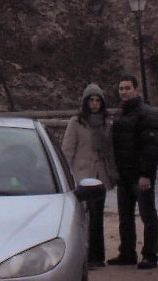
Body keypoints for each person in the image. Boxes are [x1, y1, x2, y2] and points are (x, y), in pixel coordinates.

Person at [62, 83, 117, 268]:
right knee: (83, 217)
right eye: (91, 100)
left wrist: (111, 174)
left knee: (97, 217)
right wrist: (67, 177)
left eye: (97, 100)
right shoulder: (76, 122)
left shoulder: (105, 123)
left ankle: (97, 256)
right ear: (85, 102)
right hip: (81, 176)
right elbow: (67, 151)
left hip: (99, 176)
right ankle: (82, 256)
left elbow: (109, 151)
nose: (94, 104)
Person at [108, 74, 158, 269]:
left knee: (147, 215)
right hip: (124, 174)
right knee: (125, 216)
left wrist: (146, 174)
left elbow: (151, 147)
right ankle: (127, 253)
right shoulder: (119, 114)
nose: (124, 92)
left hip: (140, 175)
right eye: (121, 89)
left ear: (136, 89)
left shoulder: (147, 114)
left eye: (127, 88)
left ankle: (150, 255)